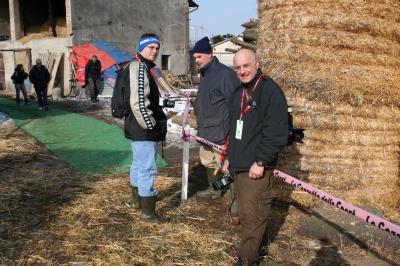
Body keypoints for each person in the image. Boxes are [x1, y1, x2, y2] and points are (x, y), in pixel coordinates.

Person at [223, 49, 289, 266]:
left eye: (246, 66)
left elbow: (276, 132)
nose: (242, 71)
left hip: (255, 165)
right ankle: (251, 246)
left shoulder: (270, 91)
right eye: (238, 68)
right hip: (240, 163)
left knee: (255, 215)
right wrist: (228, 156)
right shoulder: (240, 91)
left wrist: (261, 161)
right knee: (246, 212)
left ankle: (248, 258)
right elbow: (235, 127)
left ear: (257, 64)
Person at [114, 33, 167, 223]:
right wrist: (150, 125)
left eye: (157, 48)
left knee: (138, 164)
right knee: (147, 168)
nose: (155, 51)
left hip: (136, 126)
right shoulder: (139, 67)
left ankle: (137, 201)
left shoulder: (138, 66)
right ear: (141, 47)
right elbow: (138, 102)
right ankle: (148, 213)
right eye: (151, 47)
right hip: (142, 128)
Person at [192, 36, 240, 214]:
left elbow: (235, 106)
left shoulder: (225, 75)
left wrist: (232, 133)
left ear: (210, 55)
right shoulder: (206, 74)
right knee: (207, 161)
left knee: (228, 166)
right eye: (195, 57)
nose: (196, 60)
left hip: (221, 132)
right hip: (205, 130)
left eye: (199, 57)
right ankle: (215, 189)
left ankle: (237, 202)